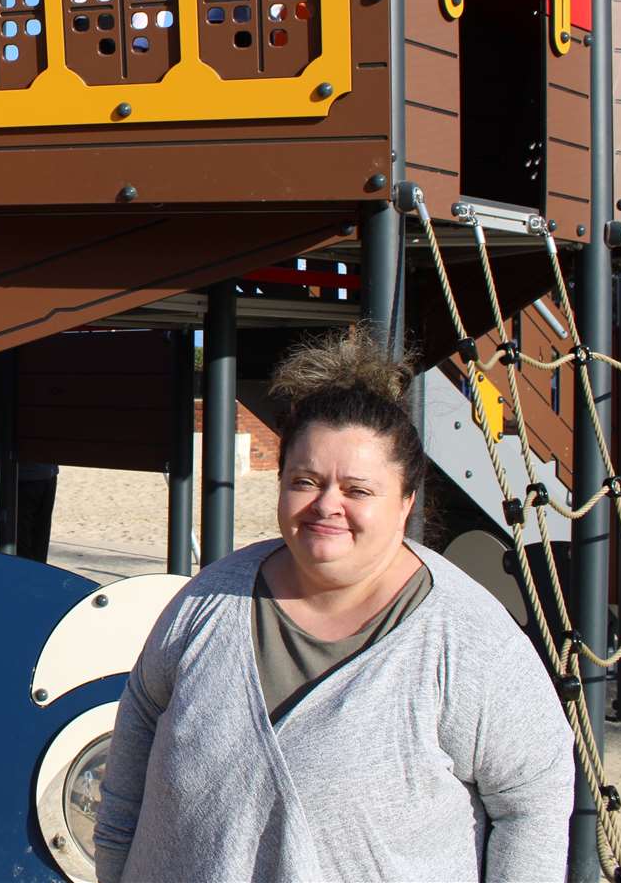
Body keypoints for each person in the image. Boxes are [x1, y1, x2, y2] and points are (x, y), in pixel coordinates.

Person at [93, 331, 573, 882]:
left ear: (405, 502)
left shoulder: (465, 638)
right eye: (305, 481)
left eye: (358, 490)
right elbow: (134, 747)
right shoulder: (207, 602)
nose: (327, 505)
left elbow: (531, 798)